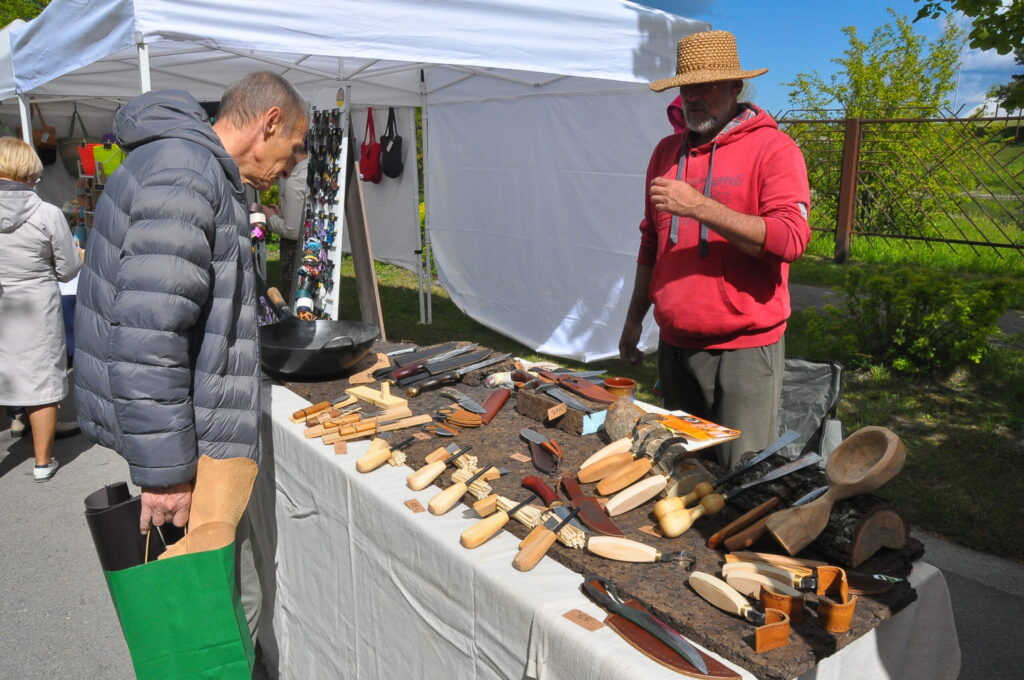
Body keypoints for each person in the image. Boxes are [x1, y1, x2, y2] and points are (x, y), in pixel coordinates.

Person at [74, 72, 309, 637]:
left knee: (218, 599)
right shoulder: (187, 172)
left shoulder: (192, 168)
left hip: (197, 426)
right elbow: (148, 336)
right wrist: (166, 474)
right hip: (195, 445)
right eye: (295, 145)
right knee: (218, 609)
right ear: (269, 122)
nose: (292, 166)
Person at [618, 30, 811, 470]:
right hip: (674, 346)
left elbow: (790, 239)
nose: (693, 97)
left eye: (705, 86)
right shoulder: (666, 153)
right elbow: (651, 242)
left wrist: (700, 207)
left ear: (734, 87)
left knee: (742, 474)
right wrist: (633, 320)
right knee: (681, 470)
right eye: (686, 87)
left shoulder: (774, 149)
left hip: (743, 351)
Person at [0, 136, 83, 481]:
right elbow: (67, 269)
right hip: (36, 302)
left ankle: (19, 423)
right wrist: (77, 254)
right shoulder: (47, 213)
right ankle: (42, 462)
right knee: (43, 381)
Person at [263, 141, 309, 295]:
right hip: (313, 251)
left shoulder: (295, 182)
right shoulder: (312, 173)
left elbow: (292, 232)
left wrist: (270, 217)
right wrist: (281, 214)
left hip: (296, 256)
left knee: (293, 298)